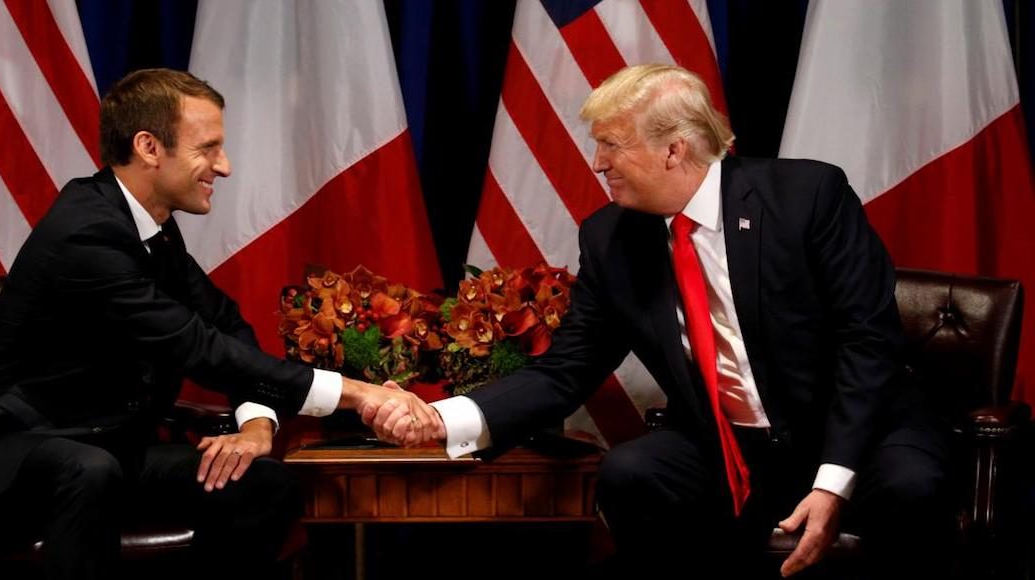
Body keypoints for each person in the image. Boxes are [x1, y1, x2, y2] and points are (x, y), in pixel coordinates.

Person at [365, 64, 952, 578]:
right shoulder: (611, 238)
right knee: (632, 471)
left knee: (911, 487)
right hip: (733, 446)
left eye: (611, 145)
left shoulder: (807, 196)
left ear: (674, 149)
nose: (597, 163)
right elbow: (564, 372)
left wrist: (830, 481)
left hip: (859, 431)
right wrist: (441, 418)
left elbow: (866, 342)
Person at [0, 68, 443, 580]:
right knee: (88, 470)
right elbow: (198, 347)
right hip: (7, 455)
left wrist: (256, 425)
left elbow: (227, 325)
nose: (225, 166)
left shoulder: (155, 229)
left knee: (261, 481)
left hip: (109, 448)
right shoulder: (87, 233)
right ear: (150, 147)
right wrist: (358, 393)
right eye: (208, 148)